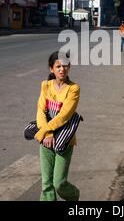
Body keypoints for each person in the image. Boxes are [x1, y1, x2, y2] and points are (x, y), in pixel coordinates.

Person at [34, 51, 80, 201]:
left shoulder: (73, 89)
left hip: (64, 140)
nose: (62, 69)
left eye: (65, 66)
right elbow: (41, 111)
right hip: (46, 140)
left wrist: (46, 131)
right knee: (46, 184)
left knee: (59, 183)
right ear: (51, 69)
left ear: (69, 67)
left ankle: (74, 196)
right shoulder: (45, 86)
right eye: (58, 66)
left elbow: (64, 116)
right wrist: (46, 134)